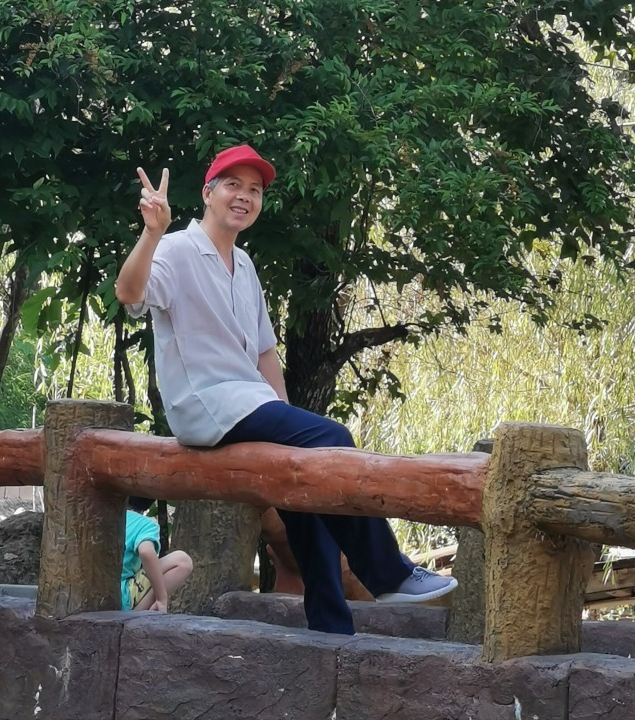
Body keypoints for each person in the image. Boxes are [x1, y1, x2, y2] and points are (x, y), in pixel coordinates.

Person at [115, 144, 457, 634]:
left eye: (255, 190)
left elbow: (264, 354)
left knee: (308, 478)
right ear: (208, 193)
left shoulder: (244, 265)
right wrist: (152, 232)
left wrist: (289, 425)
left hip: (248, 402)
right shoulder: (177, 249)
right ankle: (388, 573)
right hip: (207, 404)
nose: (244, 196)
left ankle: (330, 622)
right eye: (233, 185)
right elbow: (129, 293)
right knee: (334, 438)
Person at [121, 496, 193, 612]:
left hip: (91, 593)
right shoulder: (144, 524)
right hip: (122, 598)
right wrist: (161, 597)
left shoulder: (100, 517)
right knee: (183, 561)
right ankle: (136, 613)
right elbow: (146, 551)